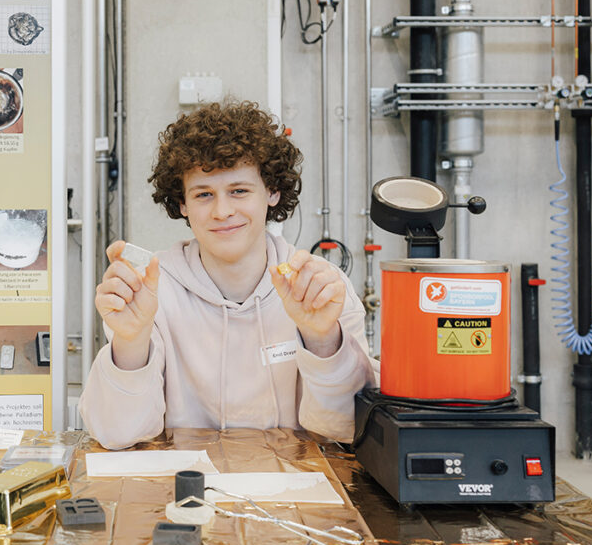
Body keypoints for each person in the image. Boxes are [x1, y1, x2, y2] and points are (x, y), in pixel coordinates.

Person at [79, 101, 377, 450]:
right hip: (183, 499)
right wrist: (130, 341)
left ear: (272, 192)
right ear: (182, 205)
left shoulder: (318, 287)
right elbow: (118, 435)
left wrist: (323, 341)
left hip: (290, 497)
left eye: (239, 191)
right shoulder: (150, 289)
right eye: (204, 194)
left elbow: (349, 430)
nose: (222, 211)